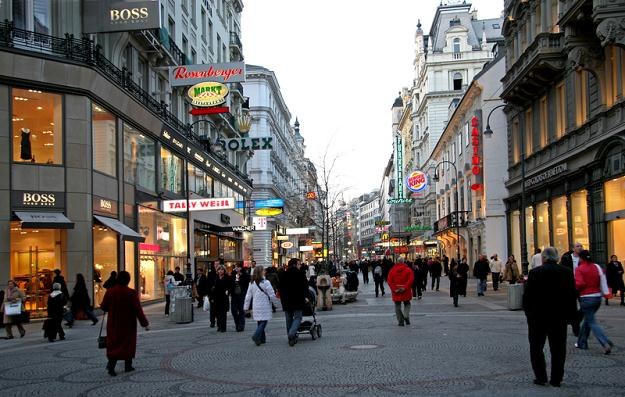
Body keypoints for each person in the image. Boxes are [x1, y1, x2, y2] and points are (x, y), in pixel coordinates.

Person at [523, 247, 577, 387]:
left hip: (538, 317)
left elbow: (527, 297)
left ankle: (541, 377)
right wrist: (572, 317)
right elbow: (572, 296)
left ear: (544, 258)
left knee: (536, 348)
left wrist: (529, 315)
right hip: (559, 318)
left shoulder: (535, 273)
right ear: (556, 257)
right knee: (559, 349)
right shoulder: (567, 272)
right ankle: (556, 379)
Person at [101, 271, 149, 376]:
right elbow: (138, 310)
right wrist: (145, 323)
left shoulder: (110, 292)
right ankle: (128, 365)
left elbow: (103, 307)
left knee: (114, 343)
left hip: (113, 323)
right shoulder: (131, 293)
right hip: (128, 324)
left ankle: (112, 367)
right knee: (128, 344)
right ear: (128, 280)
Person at [574, 250, 614, 354]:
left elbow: (580, 284)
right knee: (588, 319)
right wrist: (606, 293)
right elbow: (603, 280)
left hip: (586, 298)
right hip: (597, 298)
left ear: (581, 258)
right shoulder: (596, 266)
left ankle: (605, 342)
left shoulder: (579, 269)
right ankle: (582, 342)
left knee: (591, 321)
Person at [244, 266, 281, 346]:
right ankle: (256, 335)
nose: (265, 271)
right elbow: (271, 295)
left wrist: (246, 307)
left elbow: (248, 296)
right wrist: (275, 303)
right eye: (263, 270)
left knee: (259, 321)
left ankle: (262, 339)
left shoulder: (252, 283)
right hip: (265, 305)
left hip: (256, 305)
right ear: (260, 272)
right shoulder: (266, 282)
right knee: (264, 321)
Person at [278, 258, 309, 346]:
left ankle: (290, 337)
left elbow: (280, 287)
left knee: (288, 319)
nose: (300, 266)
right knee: (298, 317)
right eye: (299, 264)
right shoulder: (300, 274)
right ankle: (292, 333)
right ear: (295, 265)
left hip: (286, 300)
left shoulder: (283, 274)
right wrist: (306, 297)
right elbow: (305, 287)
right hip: (298, 299)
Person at [387, 260, 414, 326]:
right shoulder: (408, 270)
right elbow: (411, 279)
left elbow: (389, 281)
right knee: (407, 303)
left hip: (396, 291)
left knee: (397, 306)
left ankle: (400, 321)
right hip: (406, 290)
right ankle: (406, 315)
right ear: (403, 262)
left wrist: (395, 289)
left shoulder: (392, 270)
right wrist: (405, 287)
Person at [212, 265, 232, 332]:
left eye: (222, 270)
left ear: (224, 271)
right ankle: (219, 325)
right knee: (217, 313)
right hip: (216, 297)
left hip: (224, 297)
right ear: (217, 271)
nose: (220, 271)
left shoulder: (227, 277)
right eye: (219, 270)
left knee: (223, 313)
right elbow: (213, 286)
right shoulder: (215, 277)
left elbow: (230, 286)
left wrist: (228, 291)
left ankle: (223, 327)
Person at [231, 263, 250, 332]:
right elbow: (232, 283)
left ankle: (241, 326)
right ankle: (237, 324)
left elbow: (246, 285)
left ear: (241, 268)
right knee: (234, 311)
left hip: (242, 295)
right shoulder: (233, 274)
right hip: (234, 295)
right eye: (235, 267)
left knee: (241, 311)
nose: (236, 268)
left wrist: (239, 277)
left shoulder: (245, 276)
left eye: (237, 267)